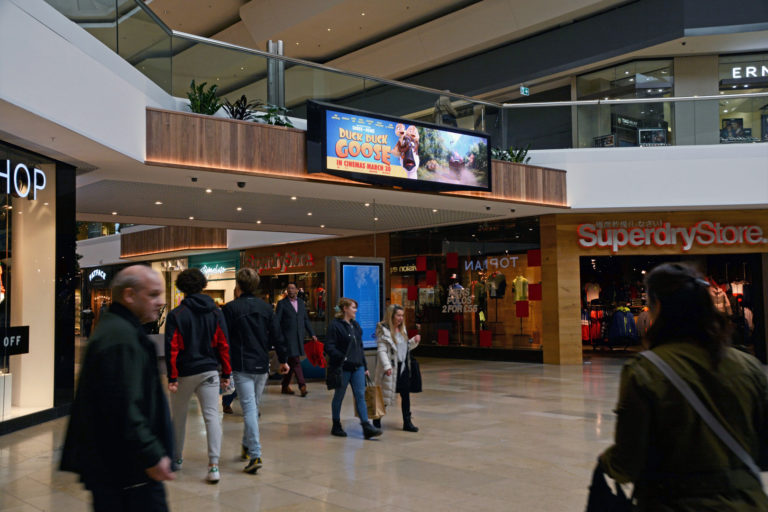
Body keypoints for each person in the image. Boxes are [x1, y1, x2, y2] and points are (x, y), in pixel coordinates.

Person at [600, 263, 768, 511]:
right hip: (748, 502)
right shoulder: (749, 366)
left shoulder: (646, 370)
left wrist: (606, 462)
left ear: (658, 306)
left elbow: (628, 462)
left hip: (672, 502)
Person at [61, 265, 174, 511]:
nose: (159, 302)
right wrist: (151, 454)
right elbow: (124, 405)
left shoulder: (120, 330)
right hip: (127, 470)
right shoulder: (121, 339)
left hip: (121, 468)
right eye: (153, 295)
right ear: (129, 295)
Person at [164, 268, 231, 484]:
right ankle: (213, 466)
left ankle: (176, 459)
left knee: (179, 417)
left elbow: (172, 347)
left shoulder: (177, 314)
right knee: (212, 416)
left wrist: (172, 377)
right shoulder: (216, 312)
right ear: (203, 285)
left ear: (181, 288)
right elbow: (223, 344)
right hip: (210, 371)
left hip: (184, 373)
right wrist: (226, 372)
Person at [222, 268, 290, 474]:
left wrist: (223, 368)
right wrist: (283, 360)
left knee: (250, 409)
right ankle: (246, 445)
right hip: (262, 365)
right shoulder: (266, 308)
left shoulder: (230, 309)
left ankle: (255, 454)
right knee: (253, 407)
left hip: (242, 365)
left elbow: (223, 340)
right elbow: (277, 335)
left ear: (238, 286)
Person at [325, 297, 382, 439]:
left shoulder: (355, 325)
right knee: (339, 395)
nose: (355, 310)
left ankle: (366, 425)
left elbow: (360, 347)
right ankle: (336, 424)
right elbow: (329, 347)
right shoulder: (335, 326)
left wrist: (365, 365)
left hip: (358, 367)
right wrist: (341, 357)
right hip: (342, 368)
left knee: (360, 396)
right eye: (353, 307)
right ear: (345, 309)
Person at [373, 304, 421, 432]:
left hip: (403, 368)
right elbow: (382, 351)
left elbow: (404, 349)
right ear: (391, 316)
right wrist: (387, 367)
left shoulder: (402, 329)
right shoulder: (384, 331)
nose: (401, 318)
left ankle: (407, 422)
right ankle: (376, 420)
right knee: (385, 395)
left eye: (402, 315)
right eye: (398, 315)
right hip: (389, 369)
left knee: (405, 395)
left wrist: (413, 341)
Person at [275, 282, 317, 396]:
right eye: (288, 288)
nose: (291, 290)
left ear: (297, 290)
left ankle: (284, 386)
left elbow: (305, 320)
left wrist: (312, 333)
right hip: (287, 338)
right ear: (287, 291)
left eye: (293, 288)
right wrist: (277, 336)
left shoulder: (301, 303)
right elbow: (277, 321)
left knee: (291, 362)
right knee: (296, 360)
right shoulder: (282, 303)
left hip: (299, 337)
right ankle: (302, 386)